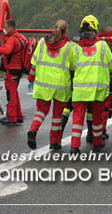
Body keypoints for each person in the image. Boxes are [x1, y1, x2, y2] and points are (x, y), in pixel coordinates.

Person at [26, 20, 75, 150]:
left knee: (41, 111)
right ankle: (54, 142)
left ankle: (33, 130)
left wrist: (31, 78)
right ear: (66, 31)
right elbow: (75, 67)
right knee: (57, 116)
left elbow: (34, 63)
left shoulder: (42, 42)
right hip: (60, 86)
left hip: (43, 85)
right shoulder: (69, 47)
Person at [70, 15, 112, 154]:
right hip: (97, 89)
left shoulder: (75, 47)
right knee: (97, 117)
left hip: (80, 89)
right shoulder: (102, 46)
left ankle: (74, 147)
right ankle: (97, 144)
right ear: (95, 30)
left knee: (78, 119)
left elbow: (71, 67)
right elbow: (111, 66)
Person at [0, 19, 27, 125]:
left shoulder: (12, 39)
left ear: (11, 27)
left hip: (12, 70)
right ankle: (19, 116)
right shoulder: (21, 37)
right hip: (18, 69)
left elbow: (6, 51)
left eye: (6, 27)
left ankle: (12, 118)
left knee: (11, 94)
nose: (4, 29)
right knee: (14, 93)